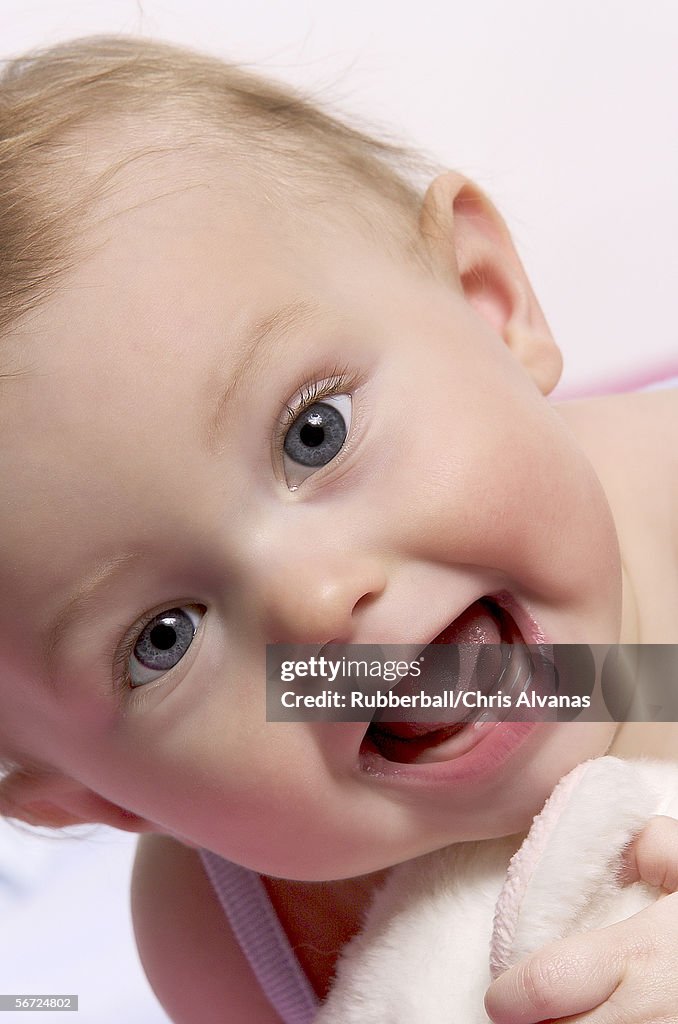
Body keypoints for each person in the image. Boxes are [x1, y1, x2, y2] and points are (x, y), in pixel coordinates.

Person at [0, 34, 676, 1024]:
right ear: (111, 800)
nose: (312, 602)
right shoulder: (225, 935)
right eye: (163, 637)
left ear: (487, 303)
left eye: (314, 434)